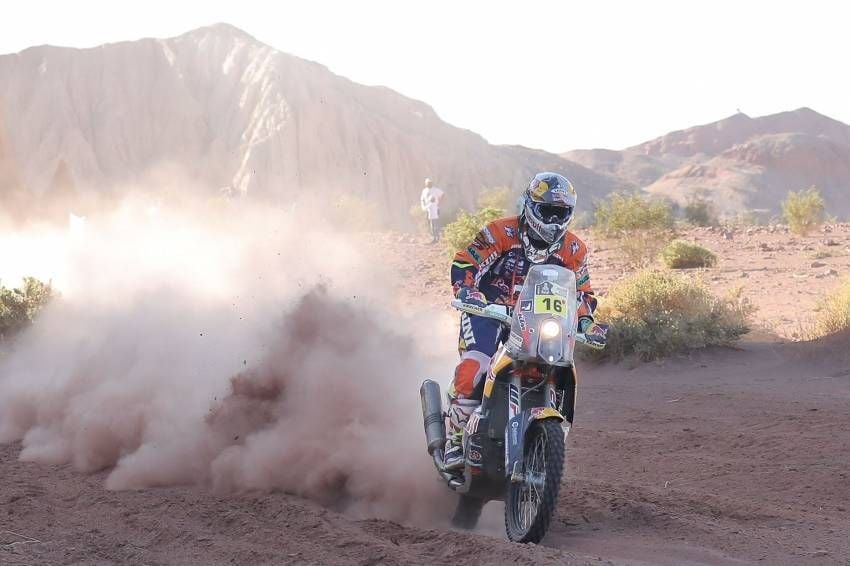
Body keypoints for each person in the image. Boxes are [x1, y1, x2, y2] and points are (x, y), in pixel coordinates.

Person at [444, 172, 608, 469]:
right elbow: (466, 261)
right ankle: (454, 438)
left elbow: (582, 293)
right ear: (531, 206)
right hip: (490, 312)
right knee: (476, 364)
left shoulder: (574, 250)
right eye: (547, 210)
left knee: (555, 365)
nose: (554, 220)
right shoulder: (500, 232)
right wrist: (468, 290)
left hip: (539, 319)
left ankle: (541, 440)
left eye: (561, 213)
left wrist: (587, 323)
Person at [420, 178, 444, 243]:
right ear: (425, 184)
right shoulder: (424, 191)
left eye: (430, 183)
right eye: (428, 183)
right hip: (428, 209)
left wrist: (439, 203)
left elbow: (442, 194)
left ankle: (437, 238)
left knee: (435, 223)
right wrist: (423, 206)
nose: (429, 184)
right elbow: (422, 199)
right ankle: (433, 237)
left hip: (435, 209)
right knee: (429, 223)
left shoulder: (435, 189)